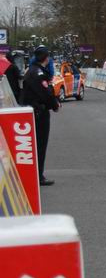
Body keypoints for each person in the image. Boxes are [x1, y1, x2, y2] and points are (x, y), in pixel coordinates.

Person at [22, 46, 60, 186]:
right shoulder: (39, 73)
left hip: (32, 110)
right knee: (40, 144)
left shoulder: (31, 70)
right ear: (46, 58)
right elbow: (45, 93)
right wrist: (55, 105)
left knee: (35, 144)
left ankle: (36, 174)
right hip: (39, 112)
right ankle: (38, 175)